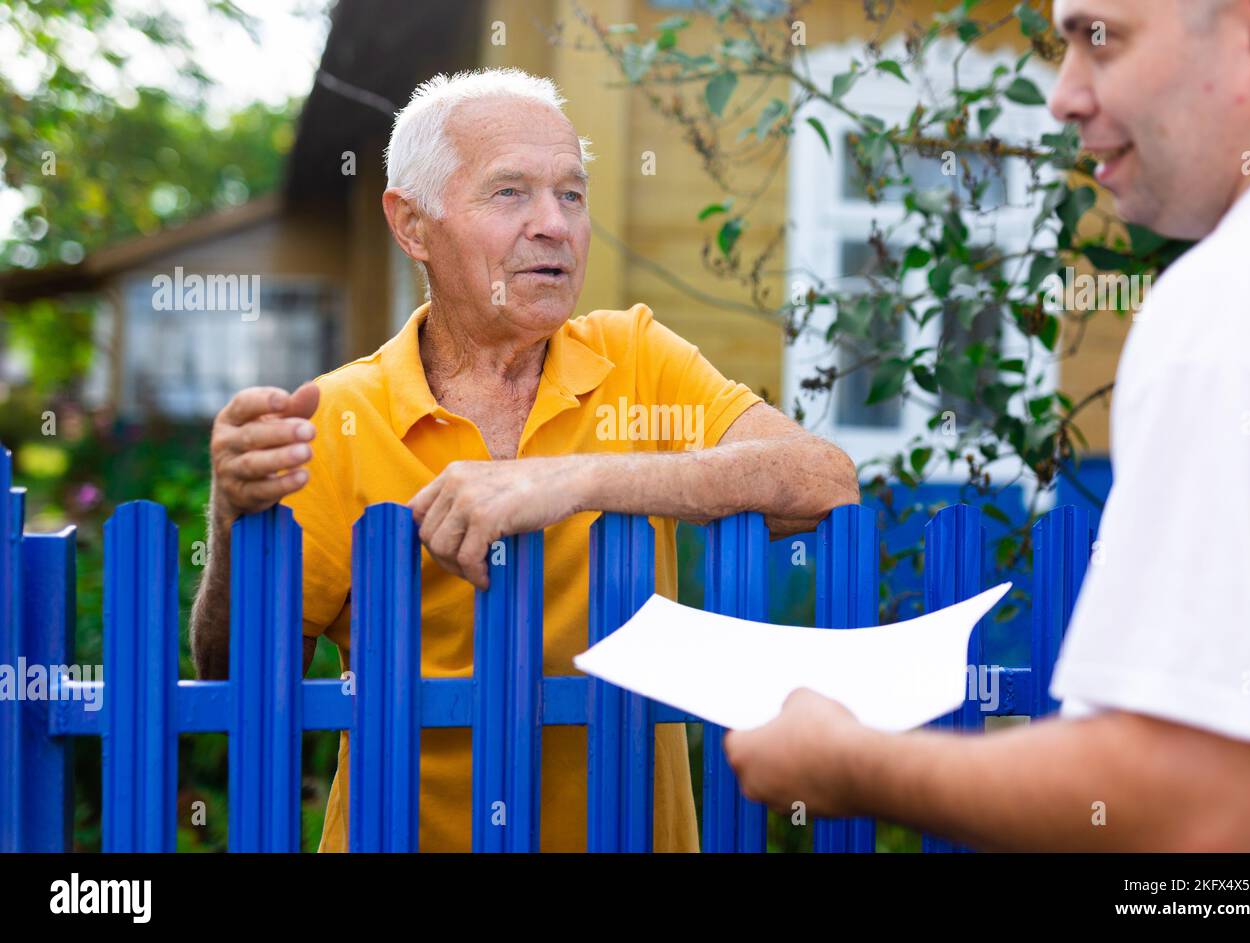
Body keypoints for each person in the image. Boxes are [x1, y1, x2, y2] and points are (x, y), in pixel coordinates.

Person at [187, 68, 860, 852]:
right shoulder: (338, 415)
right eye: (510, 193)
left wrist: (574, 478)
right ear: (411, 225)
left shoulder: (636, 357)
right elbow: (236, 683)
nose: (555, 225)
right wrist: (235, 515)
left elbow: (822, 482)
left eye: (571, 194)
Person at [725, 0, 1250, 851]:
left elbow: (1202, 804)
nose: (1063, 96)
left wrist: (846, 763)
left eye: (1101, 38)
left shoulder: (1233, 305)